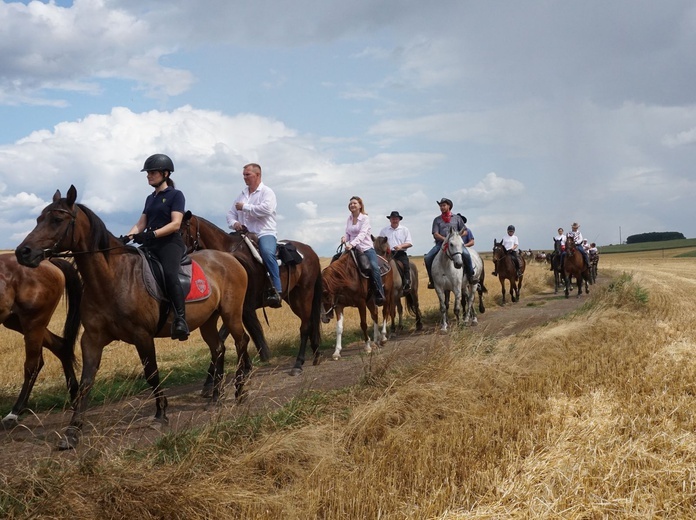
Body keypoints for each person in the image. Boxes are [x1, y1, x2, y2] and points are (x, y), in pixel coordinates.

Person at [125, 153, 189, 340]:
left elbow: (176, 224)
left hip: (170, 243)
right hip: (151, 244)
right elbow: (141, 223)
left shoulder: (176, 195)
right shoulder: (150, 198)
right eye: (148, 173)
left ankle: (180, 320)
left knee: (170, 274)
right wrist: (126, 238)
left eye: (152, 172)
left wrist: (152, 234)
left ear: (165, 173)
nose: (148, 175)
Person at [226, 163, 282, 308]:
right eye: (244, 175)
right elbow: (230, 214)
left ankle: (277, 288)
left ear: (257, 175)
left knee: (267, 253)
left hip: (264, 232)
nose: (244, 178)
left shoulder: (267, 192)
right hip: (244, 234)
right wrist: (235, 224)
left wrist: (245, 207)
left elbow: (266, 209)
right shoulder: (242, 194)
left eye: (247, 174)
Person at [342, 196, 386, 306]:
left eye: (354, 203)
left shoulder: (365, 218)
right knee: (336, 261)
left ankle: (379, 293)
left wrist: (351, 244)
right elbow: (348, 233)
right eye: (351, 203)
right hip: (353, 249)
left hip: (366, 249)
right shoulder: (349, 218)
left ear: (360, 205)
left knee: (374, 267)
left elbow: (362, 234)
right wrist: (344, 238)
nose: (352, 205)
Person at [423, 198, 475, 289]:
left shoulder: (457, 218)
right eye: (440, 206)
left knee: (466, 254)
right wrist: (446, 240)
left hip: (455, 245)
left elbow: (465, 231)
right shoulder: (437, 220)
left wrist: (457, 236)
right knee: (428, 258)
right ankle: (432, 280)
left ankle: (471, 275)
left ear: (449, 206)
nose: (442, 207)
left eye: (444, 205)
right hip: (441, 244)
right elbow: (435, 234)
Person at [379, 211, 413, 293]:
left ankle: (407, 283)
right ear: (390, 220)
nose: (394, 220)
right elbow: (380, 242)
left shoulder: (405, 230)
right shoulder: (384, 230)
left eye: (396, 219)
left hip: (400, 253)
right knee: (379, 267)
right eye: (392, 219)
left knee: (405, 265)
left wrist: (400, 246)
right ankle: (379, 285)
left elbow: (409, 243)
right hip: (388, 254)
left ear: (399, 220)